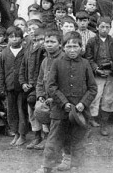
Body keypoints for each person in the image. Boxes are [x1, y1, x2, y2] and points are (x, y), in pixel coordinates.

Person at [41, 31, 97, 173]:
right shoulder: (56, 63)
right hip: (60, 110)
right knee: (54, 138)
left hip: (79, 111)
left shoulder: (85, 64)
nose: (72, 50)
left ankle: (75, 165)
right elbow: (51, 86)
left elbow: (92, 88)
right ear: (62, 47)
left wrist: (82, 104)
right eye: (69, 46)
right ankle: (47, 166)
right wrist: (63, 102)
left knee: (77, 139)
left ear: (80, 48)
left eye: (75, 46)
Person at [85, 17, 113, 134]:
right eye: (102, 27)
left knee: (109, 99)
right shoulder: (91, 42)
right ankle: (89, 123)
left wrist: (112, 70)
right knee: (94, 97)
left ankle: (104, 124)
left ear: (110, 28)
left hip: (111, 75)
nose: (104, 29)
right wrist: (96, 69)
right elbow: (88, 58)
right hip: (97, 75)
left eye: (107, 27)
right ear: (97, 27)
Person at [35, 29, 65, 152]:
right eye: (47, 41)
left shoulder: (64, 59)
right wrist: (40, 95)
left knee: (57, 121)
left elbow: (65, 83)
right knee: (40, 111)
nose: (49, 44)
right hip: (47, 97)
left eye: (52, 42)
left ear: (60, 44)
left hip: (60, 98)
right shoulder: (45, 60)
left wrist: (55, 98)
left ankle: (57, 144)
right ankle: (47, 138)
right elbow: (40, 80)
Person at [0, 26, 28, 146]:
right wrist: (1, 87)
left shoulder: (26, 51)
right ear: (7, 38)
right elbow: (1, 71)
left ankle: (22, 134)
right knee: (12, 111)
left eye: (17, 37)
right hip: (9, 87)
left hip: (22, 87)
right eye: (11, 37)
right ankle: (15, 132)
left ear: (22, 38)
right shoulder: (5, 52)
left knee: (21, 111)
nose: (14, 39)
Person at [19, 27, 46, 149]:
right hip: (30, 86)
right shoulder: (28, 51)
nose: (38, 43)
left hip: (41, 87)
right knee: (31, 112)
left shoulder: (45, 54)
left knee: (42, 111)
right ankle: (37, 136)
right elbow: (23, 68)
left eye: (41, 39)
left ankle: (46, 137)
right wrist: (23, 82)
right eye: (35, 40)